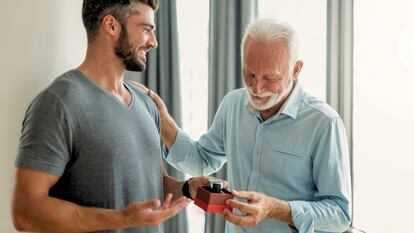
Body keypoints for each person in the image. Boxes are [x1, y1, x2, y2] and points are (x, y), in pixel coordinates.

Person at [12, 1, 210, 232]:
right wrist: (120, 218)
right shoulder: (58, 103)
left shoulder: (146, 103)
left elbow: (154, 183)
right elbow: (25, 212)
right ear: (111, 26)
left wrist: (186, 188)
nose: (153, 42)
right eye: (146, 30)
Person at [146, 19, 352, 233]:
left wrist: (276, 209)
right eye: (249, 74)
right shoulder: (232, 105)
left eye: (269, 77)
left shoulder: (324, 123)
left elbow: (339, 214)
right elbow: (202, 160)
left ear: (296, 70)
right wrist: (164, 121)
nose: (256, 88)